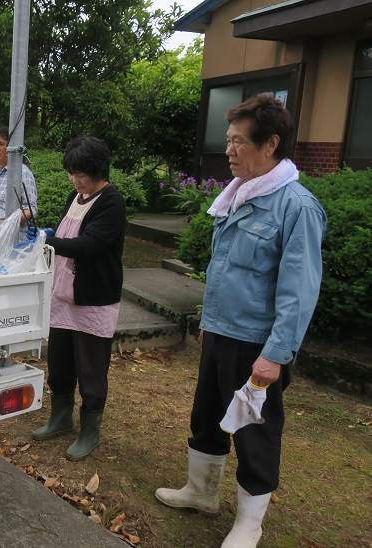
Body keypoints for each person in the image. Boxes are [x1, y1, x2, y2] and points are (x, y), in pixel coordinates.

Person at [154, 95, 326, 548]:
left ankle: (250, 523)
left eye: (237, 142)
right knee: (207, 415)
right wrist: (208, 322)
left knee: (255, 432)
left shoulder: (296, 206)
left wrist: (275, 355)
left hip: (257, 345)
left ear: (270, 144)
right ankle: (201, 492)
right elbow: (225, 269)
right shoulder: (237, 195)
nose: (228, 150)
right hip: (221, 333)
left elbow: (299, 290)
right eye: (227, 141)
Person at [27, 136, 126, 461]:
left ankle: (89, 430)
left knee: (91, 369)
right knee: (60, 362)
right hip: (64, 295)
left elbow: (90, 244)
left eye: (79, 173)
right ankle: (60, 418)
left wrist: (48, 241)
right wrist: (45, 234)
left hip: (93, 299)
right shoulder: (77, 195)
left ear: (96, 171)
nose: (73, 179)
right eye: (71, 172)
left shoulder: (111, 202)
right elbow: (66, 236)